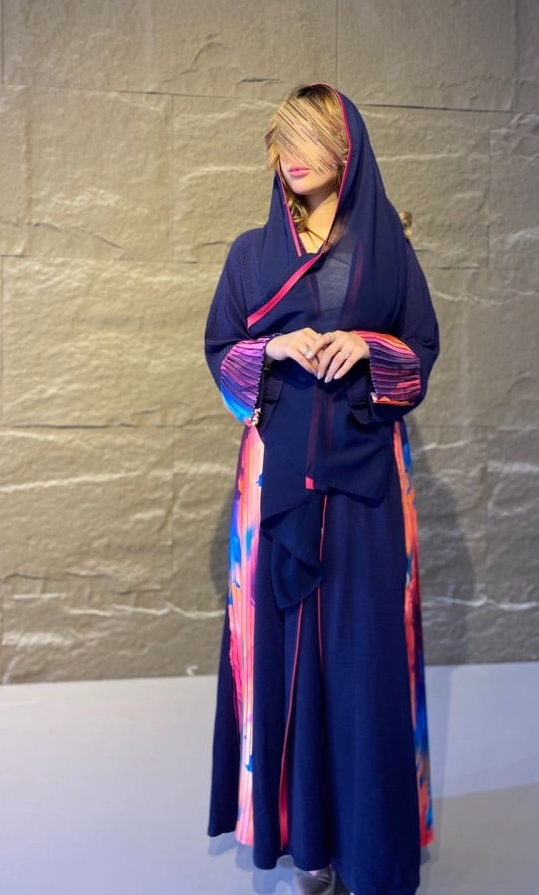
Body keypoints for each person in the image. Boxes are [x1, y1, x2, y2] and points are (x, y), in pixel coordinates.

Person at [204, 84, 439, 895]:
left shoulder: (388, 251)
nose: (290, 156)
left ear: (347, 147)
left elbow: (421, 352)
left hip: (368, 479)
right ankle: (303, 840)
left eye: (306, 137)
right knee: (284, 648)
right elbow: (221, 355)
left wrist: (369, 345)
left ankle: (367, 846)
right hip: (275, 482)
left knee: (366, 655)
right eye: (281, 140)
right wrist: (272, 350)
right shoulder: (250, 254)